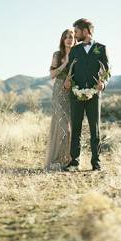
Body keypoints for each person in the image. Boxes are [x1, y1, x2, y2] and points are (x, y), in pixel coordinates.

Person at [63, 18, 110, 171]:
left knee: (94, 129)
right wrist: (67, 82)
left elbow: (108, 71)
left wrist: (103, 83)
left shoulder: (101, 48)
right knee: (76, 129)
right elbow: (70, 71)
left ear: (85, 31)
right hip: (76, 95)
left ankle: (96, 163)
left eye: (76, 32)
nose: (75, 35)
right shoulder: (75, 50)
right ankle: (74, 162)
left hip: (94, 96)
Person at [44, 29, 75, 170]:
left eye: (72, 37)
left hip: (73, 93)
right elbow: (51, 75)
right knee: (62, 126)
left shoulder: (78, 54)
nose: (69, 39)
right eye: (66, 37)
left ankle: (68, 160)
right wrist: (65, 63)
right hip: (58, 93)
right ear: (62, 40)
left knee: (71, 127)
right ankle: (57, 160)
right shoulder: (57, 55)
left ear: (75, 39)